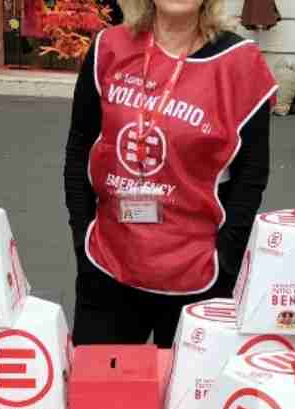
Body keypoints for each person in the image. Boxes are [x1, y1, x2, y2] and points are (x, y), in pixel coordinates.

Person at [62, 0, 277, 346]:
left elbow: (251, 174)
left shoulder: (239, 62)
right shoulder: (109, 48)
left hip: (197, 274)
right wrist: (82, 237)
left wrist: (225, 262)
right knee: (103, 395)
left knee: (188, 400)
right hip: (108, 265)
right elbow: (79, 148)